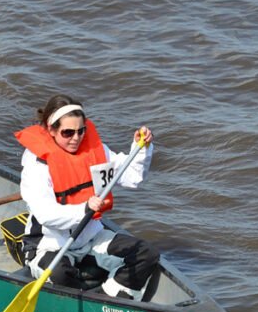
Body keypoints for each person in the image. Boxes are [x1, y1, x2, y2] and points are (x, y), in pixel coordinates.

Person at [16, 94, 160, 300]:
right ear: (52, 130)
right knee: (59, 275)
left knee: (146, 254)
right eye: (67, 132)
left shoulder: (95, 151)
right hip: (50, 243)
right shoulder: (37, 163)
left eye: (80, 131)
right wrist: (84, 208)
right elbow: (45, 214)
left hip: (91, 237)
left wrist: (141, 149)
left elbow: (132, 178)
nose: (76, 138)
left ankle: (108, 299)